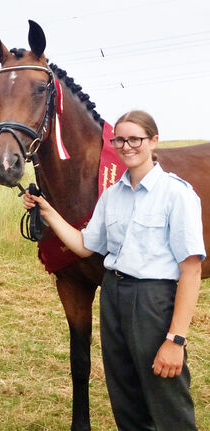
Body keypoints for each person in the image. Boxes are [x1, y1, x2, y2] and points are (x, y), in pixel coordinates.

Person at [23, 110, 205, 430]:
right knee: (126, 401)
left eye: (135, 138)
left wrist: (176, 338)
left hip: (153, 301)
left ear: (153, 141)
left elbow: (190, 271)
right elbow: (83, 246)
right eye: (119, 139)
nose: (127, 146)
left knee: (167, 404)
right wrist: (47, 211)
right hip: (114, 296)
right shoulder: (111, 196)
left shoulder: (177, 194)